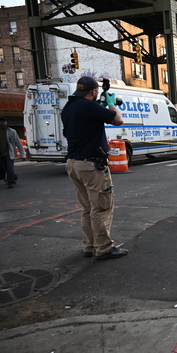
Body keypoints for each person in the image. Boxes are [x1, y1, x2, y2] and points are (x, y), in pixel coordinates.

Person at [61, 77, 128, 261]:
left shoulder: (69, 107)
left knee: (87, 207)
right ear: (92, 92)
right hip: (91, 165)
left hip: (73, 164)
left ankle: (89, 245)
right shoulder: (88, 107)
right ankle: (104, 248)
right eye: (97, 92)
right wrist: (112, 104)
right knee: (101, 207)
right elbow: (118, 120)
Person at [0, 117, 25, 189]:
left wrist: (23, 154)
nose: (2, 122)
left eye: (4, 121)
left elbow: (18, 143)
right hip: (0, 154)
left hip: (9, 153)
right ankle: (14, 176)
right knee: (5, 169)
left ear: (6, 122)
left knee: (10, 168)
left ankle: (10, 182)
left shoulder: (12, 131)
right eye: (1, 121)